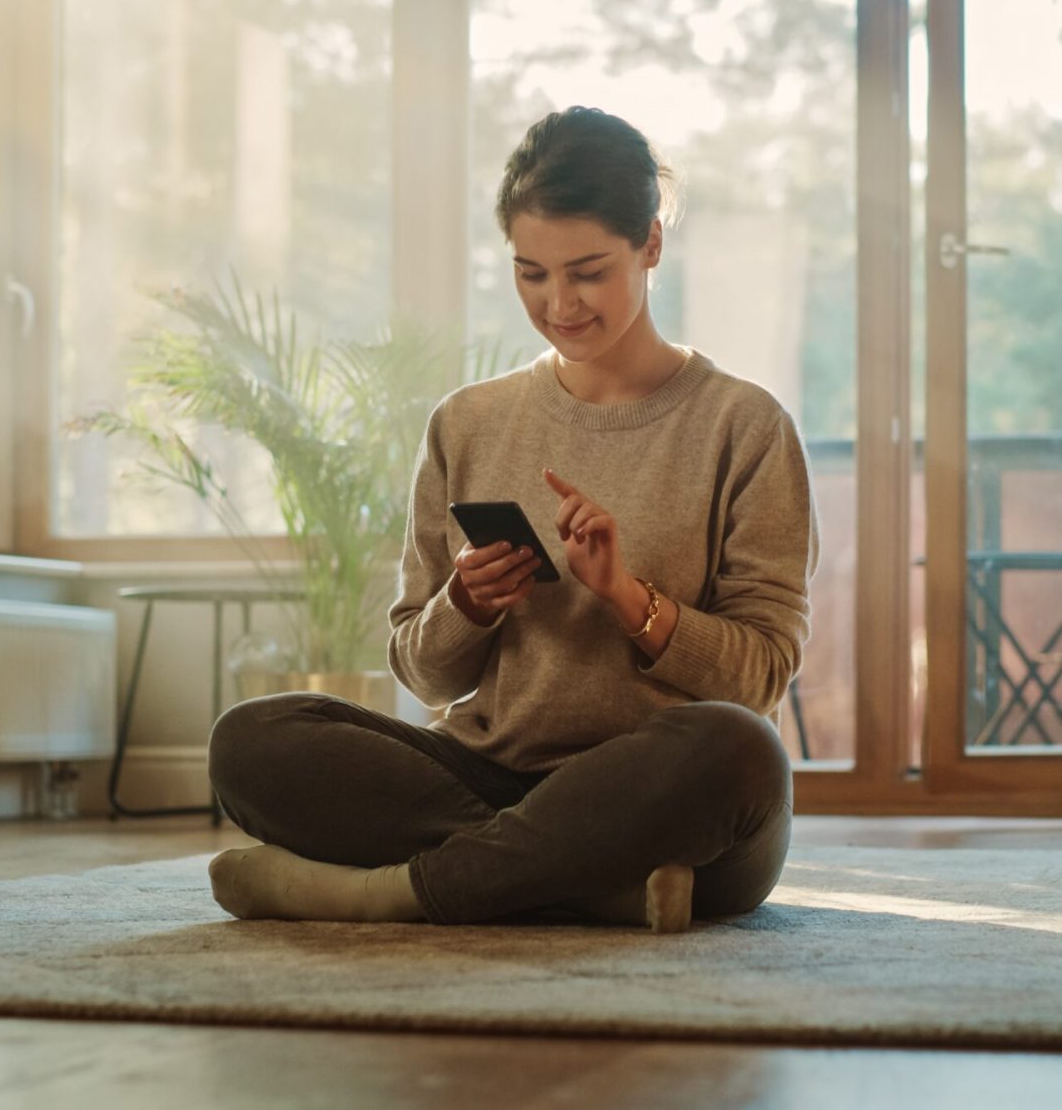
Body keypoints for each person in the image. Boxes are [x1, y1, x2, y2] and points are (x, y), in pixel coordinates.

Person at [207, 105, 819, 933]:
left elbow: (761, 677)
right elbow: (424, 677)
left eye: (587, 271)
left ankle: (389, 893)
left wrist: (627, 598)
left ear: (651, 244)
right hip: (485, 775)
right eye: (531, 273)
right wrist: (466, 605)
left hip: (659, 789)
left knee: (741, 754)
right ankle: (586, 885)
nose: (558, 303)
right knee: (253, 739)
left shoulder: (746, 427)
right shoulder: (467, 423)